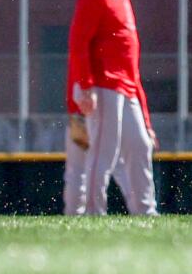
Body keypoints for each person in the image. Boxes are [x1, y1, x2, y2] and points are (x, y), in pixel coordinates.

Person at [68, 0, 158, 216]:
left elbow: (130, 61)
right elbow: (79, 41)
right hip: (104, 85)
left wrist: (145, 117)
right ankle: (94, 213)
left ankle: (146, 212)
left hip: (127, 86)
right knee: (103, 153)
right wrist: (86, 85)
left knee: (141, 146)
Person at [61, 83, 143, 215]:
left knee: (77, 170)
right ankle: (140, 210)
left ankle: (73, 214)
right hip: (97, 111)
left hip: (81, 113)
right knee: (118, 166)